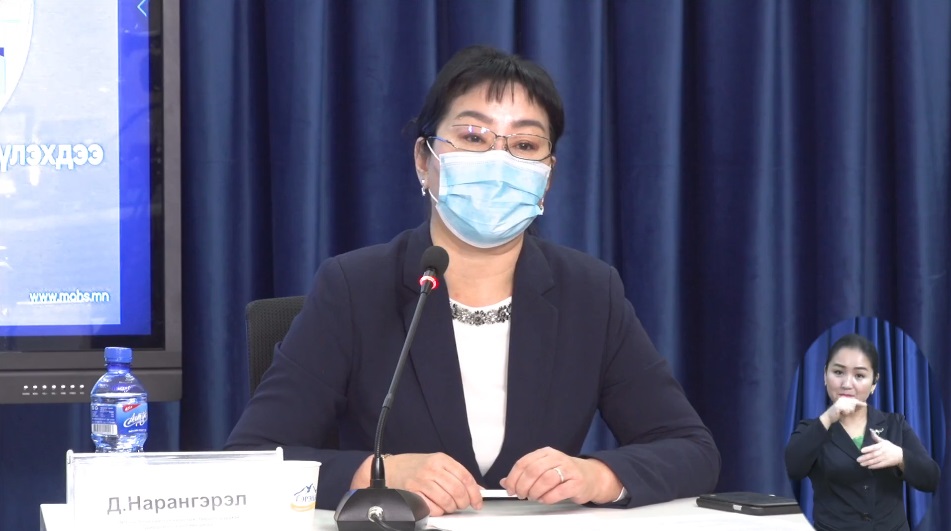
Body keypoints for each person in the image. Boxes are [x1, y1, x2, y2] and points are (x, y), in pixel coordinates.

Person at [226, 45, 720, 515]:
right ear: (425, 160)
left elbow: (691, 449)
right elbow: (252, 459)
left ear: (547, 176)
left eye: (524, 145)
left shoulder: (590, 292)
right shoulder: (355, 287)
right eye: (473, 137)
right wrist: (375, 472)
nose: (498, 162)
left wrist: (599, 476)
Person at [784, 333, 940, 530]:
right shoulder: (812, 429)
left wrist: (900, 457)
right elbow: (791, 468)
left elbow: (932, 479)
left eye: (859, 376)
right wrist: (829, 417)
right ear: (825, 375)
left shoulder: (895, 424)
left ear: (874, 382)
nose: (847, 384)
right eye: (838, 372)